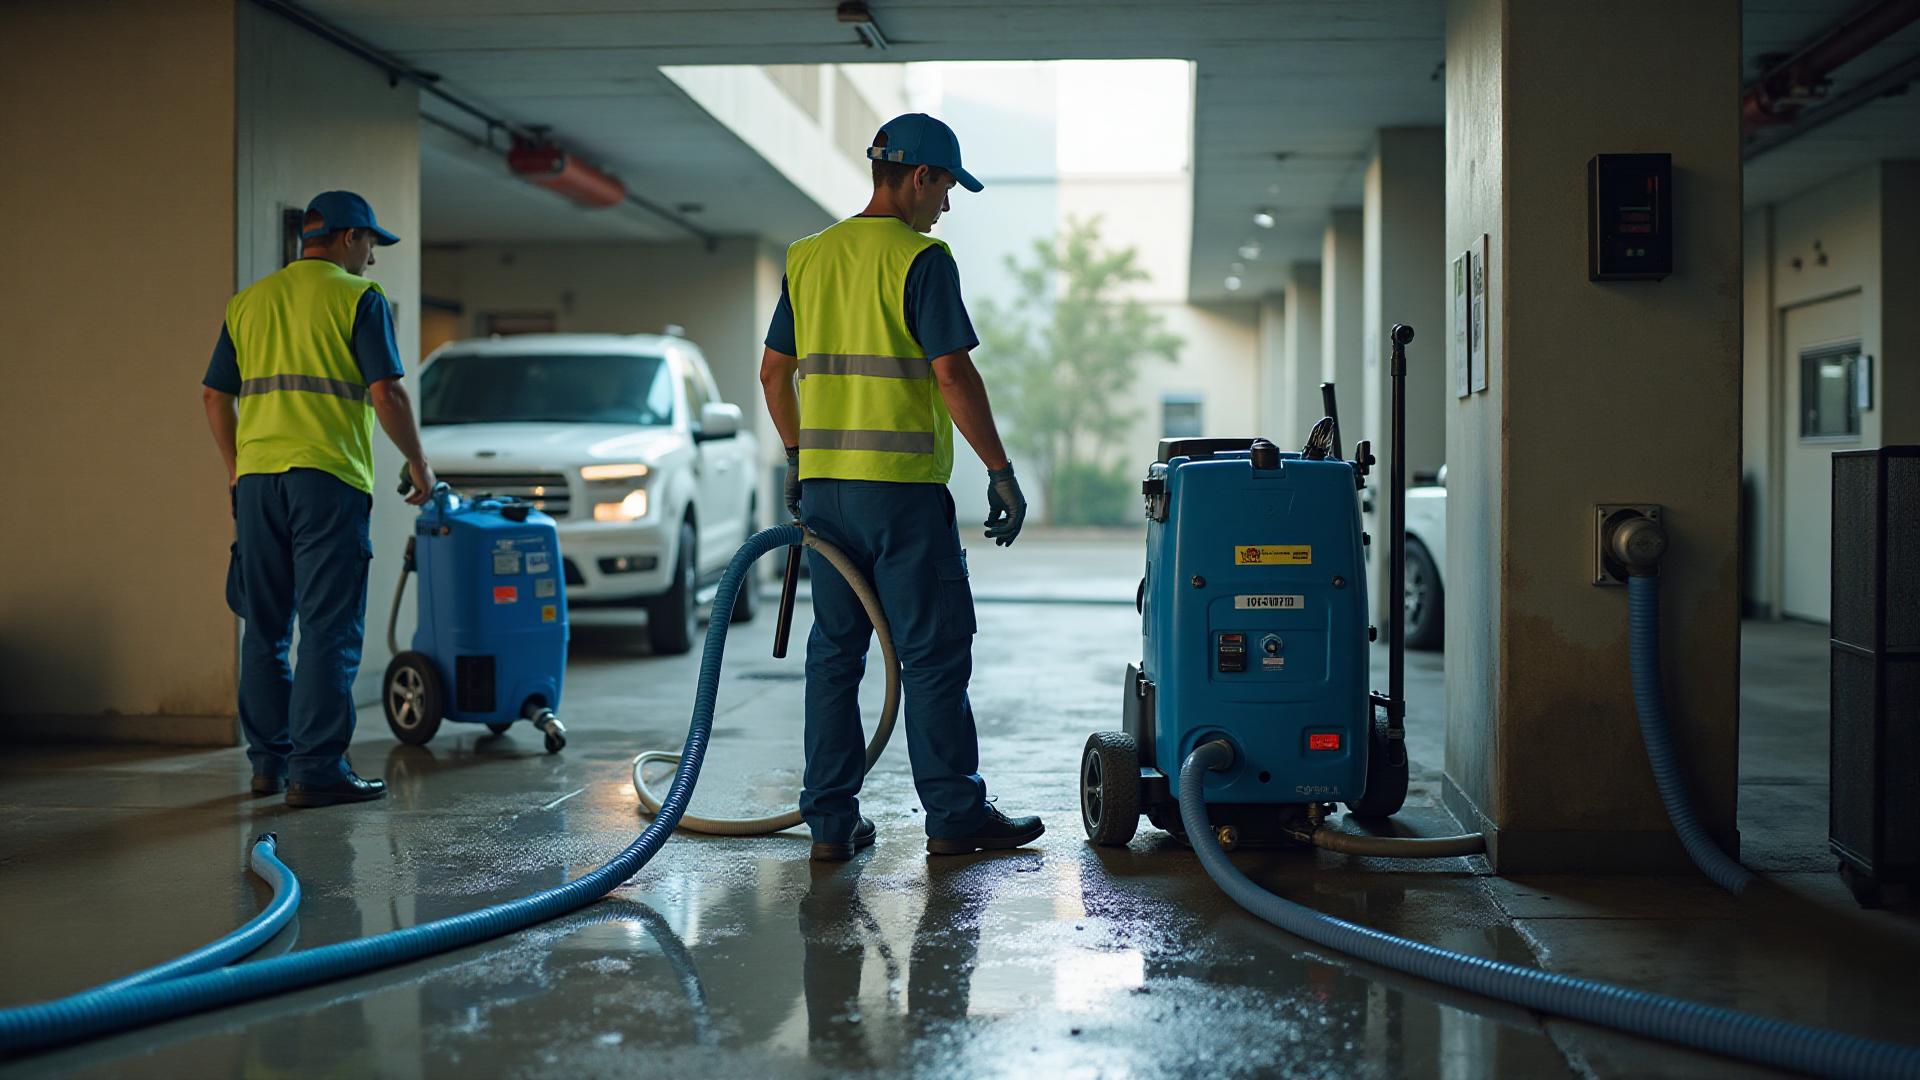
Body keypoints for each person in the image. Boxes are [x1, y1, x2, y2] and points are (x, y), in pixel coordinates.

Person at [760, 113, 1043, 861]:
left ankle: (829, 825)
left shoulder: (808, 257)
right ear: (919, 177)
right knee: (933, 655)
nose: (946, 205)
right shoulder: (923, 260)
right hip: (902, 496)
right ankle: (953, 817)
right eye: (946, 188)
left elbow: (773, 373)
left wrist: (798, 457)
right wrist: (1000, 470)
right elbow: (952, 373)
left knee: (835, 657)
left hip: (826, 496)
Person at [201, 190, 436, 808]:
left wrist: (236, 470)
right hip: (327, 480)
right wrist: (418, 461)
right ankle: (317, 770)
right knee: (329, 628)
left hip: (257, 484)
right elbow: (387, 394)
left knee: (265, 629)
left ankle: (268, 765)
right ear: (349, 238)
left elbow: (214, 397)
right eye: (370, 245)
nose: (372, 260)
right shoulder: (359, 297)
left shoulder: (248, 302)